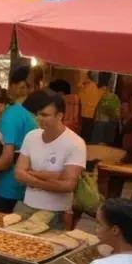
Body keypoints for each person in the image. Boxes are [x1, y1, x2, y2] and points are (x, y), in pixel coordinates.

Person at [15, 89, 86, 229]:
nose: (39, 118)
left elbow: (68, 185)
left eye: (45, 115)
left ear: (60, 115)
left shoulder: (76, 143)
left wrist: (32, 177)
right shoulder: (31, 136)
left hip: (56, 213)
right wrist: (54, 177)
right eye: (38, 114)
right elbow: (18, 173)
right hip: (26, 207)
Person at [0, 67, 35, 213]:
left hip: (12, 184)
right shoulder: (17, 111)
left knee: (3, 226)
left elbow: (7, 159)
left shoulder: (9, 117)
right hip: (23, 180)